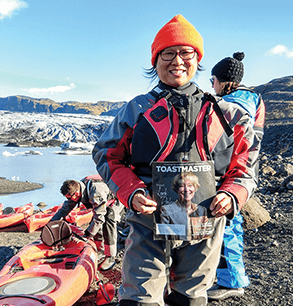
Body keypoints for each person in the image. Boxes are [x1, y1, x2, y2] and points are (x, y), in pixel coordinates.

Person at [92, 14, 261, 306]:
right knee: (138, 300)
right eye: (168, 53)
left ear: (198, 59)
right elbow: (107, 154)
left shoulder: (227, 114)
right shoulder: (137, 110)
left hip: (206, 222)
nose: (177, 61)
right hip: (147, 221)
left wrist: (231, 195)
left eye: (186, 53)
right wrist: (131, 191)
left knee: (191, 299)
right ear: (155, 61)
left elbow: (245, 167)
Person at [207, 52, 265, 300]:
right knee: (232, 223)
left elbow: (221, 141)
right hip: (244, 170)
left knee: (227, 225)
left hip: (227, 172)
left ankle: (231, 281)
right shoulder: (255, 99)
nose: (212, 86)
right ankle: (228, 277)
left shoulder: (232, 103)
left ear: (221, 81)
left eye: (213, 80)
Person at [50, 174, 124, 271]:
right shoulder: (77, 188)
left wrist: (88, 234)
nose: (69, 200)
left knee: (108, 221)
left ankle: (111, 257)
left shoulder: (96, 192)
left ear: (76, 193)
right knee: (95, 223)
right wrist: (51, 223)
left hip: (116, 198)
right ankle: (100, 249)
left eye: (69, 197)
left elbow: (99, 218)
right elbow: (66, 208)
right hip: (102, 200)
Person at [161, 172, 209, 240]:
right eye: (181, 186)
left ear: (195, 188)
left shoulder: (202, 210)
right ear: (177, 189)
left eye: (190, 185)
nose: (186, 189)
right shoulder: (166, 210)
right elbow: (165, 236)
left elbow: (205, 235)